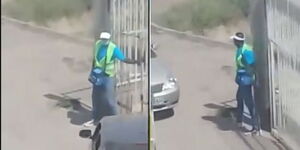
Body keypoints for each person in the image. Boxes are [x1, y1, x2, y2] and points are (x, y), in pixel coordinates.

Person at [84, 32, 140, 127]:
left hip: (108, 77)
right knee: (95, 98)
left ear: (109, 40)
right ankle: (95, 119)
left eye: (106, 39)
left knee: (110, 101)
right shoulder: (98, 44)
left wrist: (136, 61)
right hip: (98, 75)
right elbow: (95, 60)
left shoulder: (113, 48)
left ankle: (116, 121)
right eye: (103, 39)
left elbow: (123, 59)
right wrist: (91, 73)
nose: (104, 41)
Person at [231, 32, 259, 134]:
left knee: (249, 102)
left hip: (246, 80)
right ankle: (239, 120)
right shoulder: (240, 49)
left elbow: (252, 65)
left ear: (239, 41)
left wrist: (253, 78)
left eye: (234, 40)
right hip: (242, 79)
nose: (233, 41)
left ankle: (255, 126)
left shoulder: (246, 51)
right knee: (239, 98)